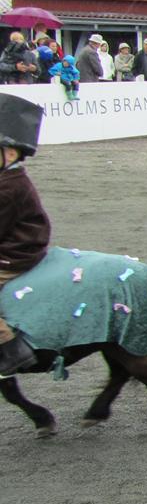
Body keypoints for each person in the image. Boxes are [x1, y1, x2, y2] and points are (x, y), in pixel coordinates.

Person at [0, 94, 51, 376]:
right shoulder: (7, 180)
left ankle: (11, 347)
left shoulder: (11, 186)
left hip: (15, 254)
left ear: (10, 153)